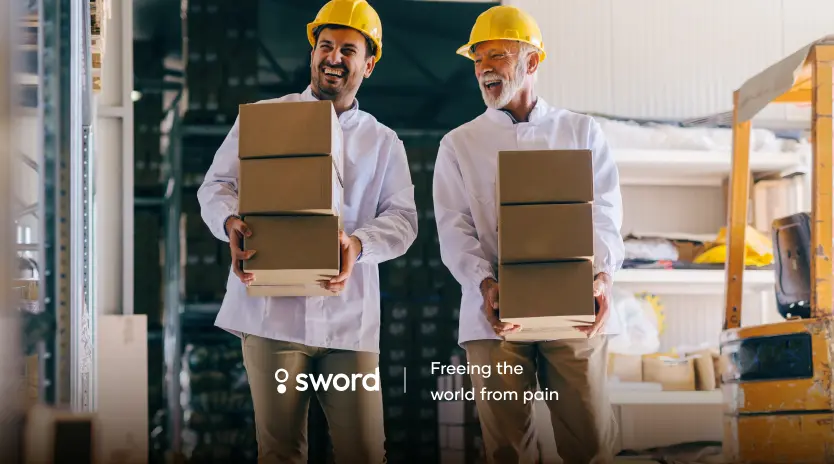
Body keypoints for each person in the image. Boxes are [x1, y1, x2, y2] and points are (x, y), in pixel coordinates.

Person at [197, 1, 417, 462]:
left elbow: (403, 221)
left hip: (348, 325)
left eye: (348, 50)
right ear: (312, 52)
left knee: (364, 451)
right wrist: (229, 220)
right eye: (325, 45)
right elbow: (216, 186)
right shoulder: (263, 118)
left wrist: (358, 244)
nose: (332, 57)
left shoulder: (383, 142)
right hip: (270, 317)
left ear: (369, 64)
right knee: (279, 451)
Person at [432, 5, 625, 464]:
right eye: (478, 60)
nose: (484, 70)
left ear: (532, 62)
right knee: (506, 451)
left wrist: (600, 277)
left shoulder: (581, 132)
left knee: (591, 442)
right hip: (492, 316)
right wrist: (485, 283)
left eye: (496, 56)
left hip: (574, 308)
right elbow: (453, 228)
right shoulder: (458, 144)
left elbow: (607, 217)